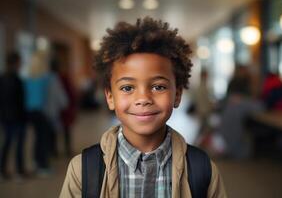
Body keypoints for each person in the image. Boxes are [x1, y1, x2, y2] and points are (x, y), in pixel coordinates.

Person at [60, 17, 226, 198]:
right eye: (127, 88)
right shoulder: (83, 170)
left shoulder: (203, 170)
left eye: (158, 87)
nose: (143, 99)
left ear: (177, 94)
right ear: (110, 97)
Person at [0, 52, 27, 179]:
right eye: (19, 62)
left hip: (5, 118)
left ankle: (2, 170)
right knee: (19, 146)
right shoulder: (16, 79)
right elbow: (20, 101)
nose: (20, 64)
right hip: (17, 118)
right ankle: (19, 171)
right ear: (15, 62)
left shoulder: (2, 78)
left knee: (7, 144)